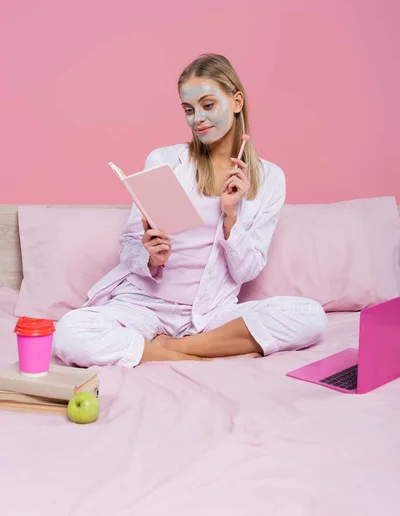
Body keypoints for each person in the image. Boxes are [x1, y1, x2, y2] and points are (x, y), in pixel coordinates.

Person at [54, 54, 326, 367]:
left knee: (310, 317)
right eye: (189, 109)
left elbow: (247, 272)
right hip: (144, 306)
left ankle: (174, 348)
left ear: (236, 102)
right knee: (70, 332)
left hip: (211, 314)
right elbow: (130, 245)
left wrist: (231, 216)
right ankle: (197, 355)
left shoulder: (269, 178)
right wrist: (150, 256)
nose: (197, 118)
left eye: (208, 105)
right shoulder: (164, 160)